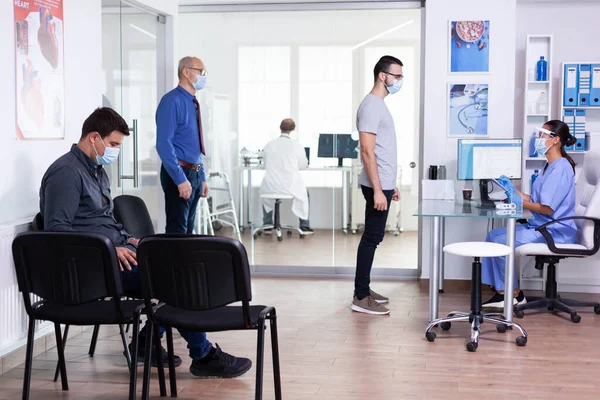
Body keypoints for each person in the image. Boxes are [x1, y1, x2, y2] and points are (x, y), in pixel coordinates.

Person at [40, 107, 252, 379]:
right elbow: (56, 234)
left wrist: (129, 240)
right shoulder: (66, 174)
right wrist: (108, 249)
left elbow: (103, 221)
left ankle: (146, 343)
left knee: (177, 263)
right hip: (94, 270)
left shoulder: (96, 170)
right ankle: (202, 354)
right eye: (113, 144)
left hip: (118, 256)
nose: (115, 150)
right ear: (94, 137)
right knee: (174, 279)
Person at [482, 120, 578, 310]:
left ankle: (513, 294)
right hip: (541, 225)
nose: (538, 138)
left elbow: (547, 209)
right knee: (493, 236)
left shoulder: (561, 168)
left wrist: (520, 203)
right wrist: (513, 190)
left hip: (554, 230)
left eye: (542, 134)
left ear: (556, 140)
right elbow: (536, 198)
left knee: (502, 242)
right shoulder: (549, 166)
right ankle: (503, 291)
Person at [352, 56, 403, 315]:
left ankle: (364, 289)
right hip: (375, 186)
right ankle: (360, 296)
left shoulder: (379, 105)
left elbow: (383, 150)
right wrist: (378, 189)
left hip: (381, 184)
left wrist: (389, 185)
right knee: (371, 238)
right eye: (396, 76)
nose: (399, 81)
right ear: (382, 76)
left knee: (375, 237)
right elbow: (367, 151)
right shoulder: (371, 106)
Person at [156, 56, 210, 234]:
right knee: (177, 232)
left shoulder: (192, 102)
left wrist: (201, 176)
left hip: (193, 173)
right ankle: (173, 263)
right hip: (179, 172)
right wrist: (180, 179)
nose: (203, 76)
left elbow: (194, 144)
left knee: (188, 231)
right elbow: (164, 144)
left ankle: (185, 263)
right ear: (186, 72)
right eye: (200, 72)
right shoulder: (172, 101)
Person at [260, 118, 313, 234]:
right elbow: (303, 165)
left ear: (280, 128)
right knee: (305, 193)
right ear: (293, 129)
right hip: (290, 186)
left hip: (270, 185)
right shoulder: (296, 145)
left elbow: (265, 164)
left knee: (267, 194)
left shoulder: (269, 145)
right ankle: (304, 226)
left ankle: (267, 224)